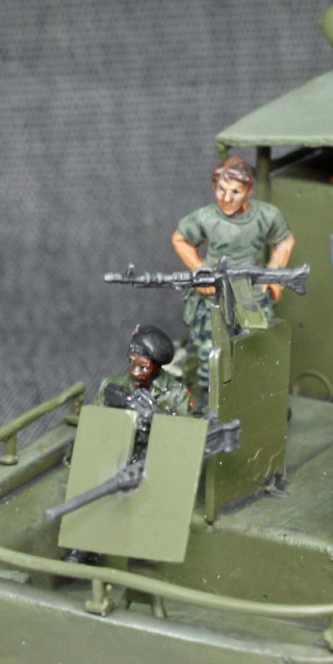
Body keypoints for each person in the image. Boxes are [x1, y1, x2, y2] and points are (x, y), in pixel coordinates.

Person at [171, 156, 295, 392]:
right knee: (212, 354)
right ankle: (211, 398)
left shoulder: (266, 216)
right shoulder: (206, 217)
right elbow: (180, 239)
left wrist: (275, 275)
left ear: (248, 190)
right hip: (215, 297)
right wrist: (199, 270)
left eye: (235, 192)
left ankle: (260, 396)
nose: (226, 198)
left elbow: (285, 240)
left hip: (251, 295)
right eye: (221, 189)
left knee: (258, 348)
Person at [96, 325, 195, 454]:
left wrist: (155, 416)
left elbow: (188, 438)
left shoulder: (177, 394)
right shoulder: (111, 384)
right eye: (131, 362)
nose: (135, 372)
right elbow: (94, 424)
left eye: (144, 368)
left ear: (157, 368)